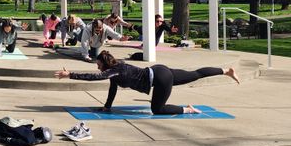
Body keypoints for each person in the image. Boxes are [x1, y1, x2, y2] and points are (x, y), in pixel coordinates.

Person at [55, 50, 240, 115]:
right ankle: (226, 71)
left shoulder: (113, 70)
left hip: (160, 79)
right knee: (196, 74)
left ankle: (187, 109)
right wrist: (107, 106)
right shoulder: (116, 69)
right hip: (159, 70)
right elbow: (112, 88)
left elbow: (95, 78)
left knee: (157, 109)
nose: (97, 68)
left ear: (104, 63)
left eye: (98, 65)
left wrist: (70, 74)